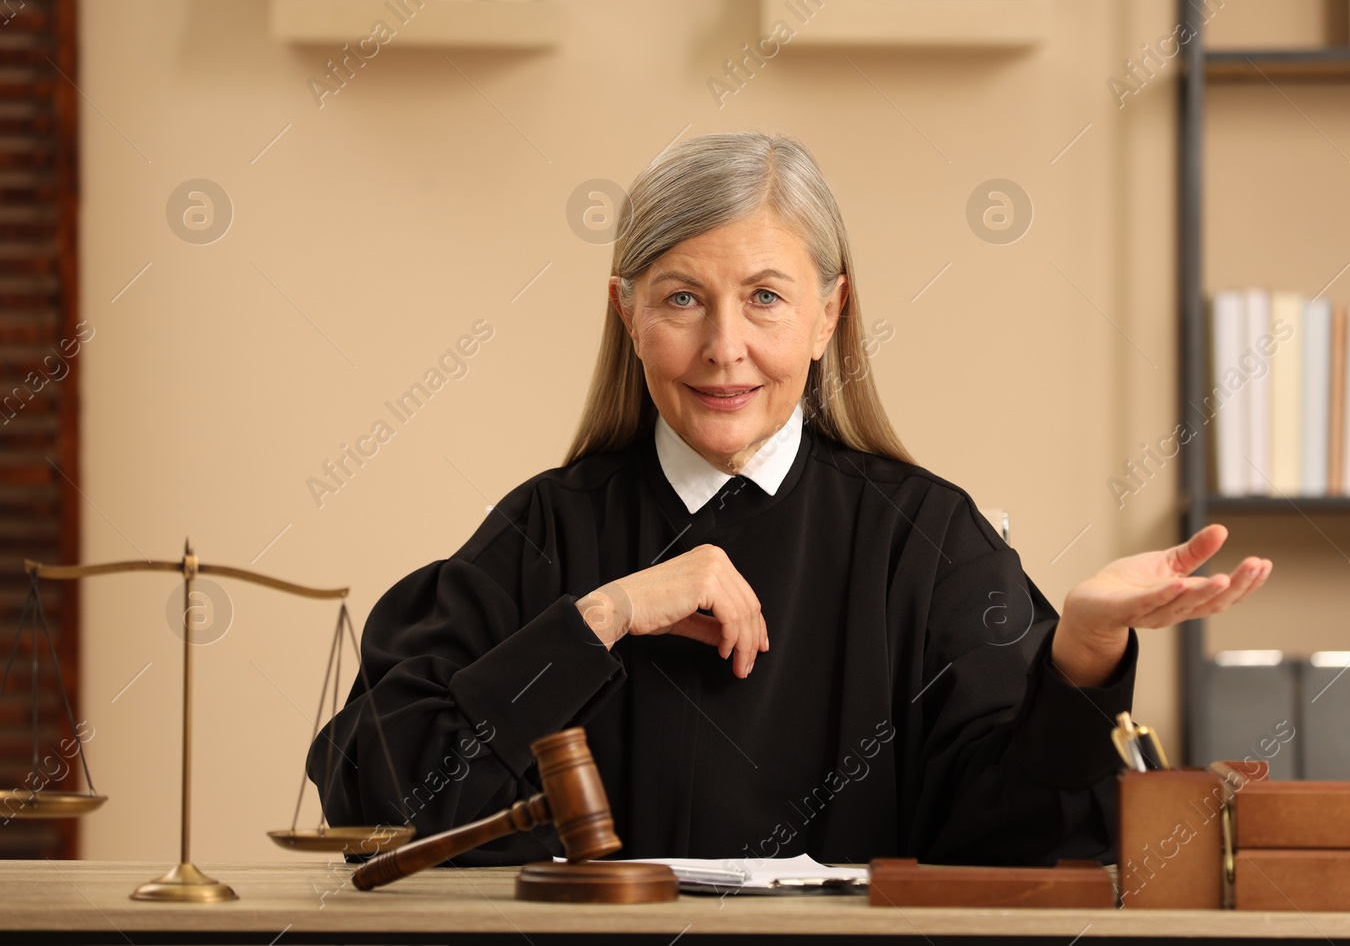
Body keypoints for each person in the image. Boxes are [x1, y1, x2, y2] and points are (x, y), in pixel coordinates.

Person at [308, 131, 1272, 867]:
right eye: (682, 298)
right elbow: (386, 795)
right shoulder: (544, 533)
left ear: (829, 314)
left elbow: (1019, 840)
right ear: (627, 314)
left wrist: (1085, 653)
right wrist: (602, 616)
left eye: (766, 297)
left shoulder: (929, 541)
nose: (725, 346)